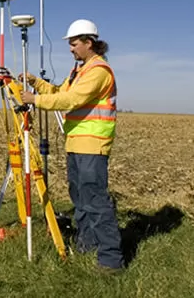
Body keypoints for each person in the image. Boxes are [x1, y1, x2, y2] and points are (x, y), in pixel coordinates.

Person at [19, 18, 125, 274]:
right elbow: (59, 93)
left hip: (93, 144)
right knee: (80, 198)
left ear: (89, 43)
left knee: (96, 200)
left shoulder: (99, 70)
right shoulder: (80, 70)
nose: (70, 48)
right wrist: (36, 83)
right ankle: (87, 244)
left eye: (74, 43)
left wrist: (35, 99)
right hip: (76, 142)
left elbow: (73, 99)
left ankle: (111, 260)